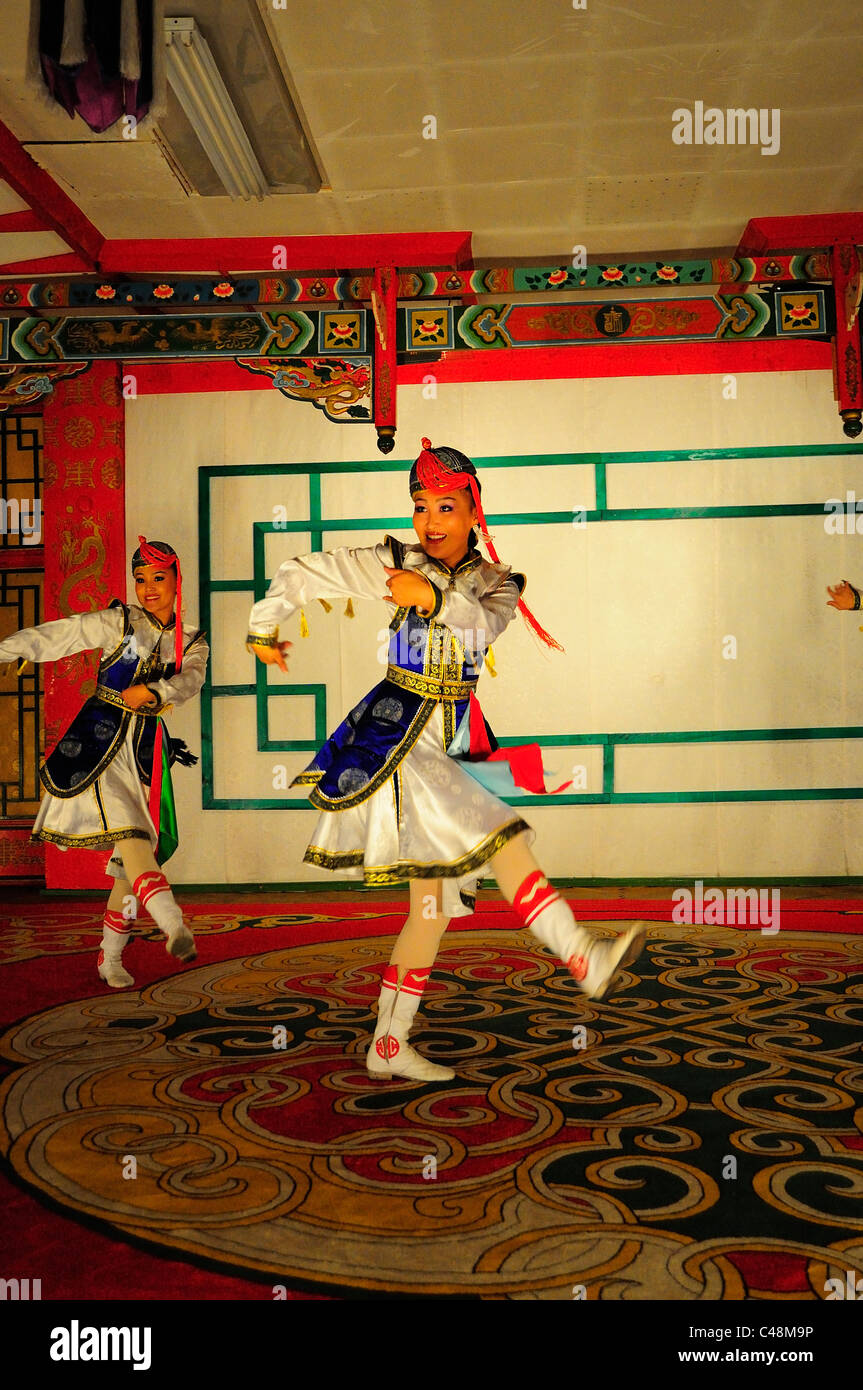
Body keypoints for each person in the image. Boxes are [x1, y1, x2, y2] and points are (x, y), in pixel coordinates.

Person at [247, 440, 645, 1082]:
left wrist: (428, 598)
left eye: (446, 507)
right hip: (400, 735)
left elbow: (478, 630)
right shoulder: (391, 561)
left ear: (472, 511)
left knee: (429, 909)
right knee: (504, 838)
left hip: (454, 739)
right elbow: (304, 571)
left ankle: (386, 1047)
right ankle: (583, 957)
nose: (430, 521)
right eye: (420, 506)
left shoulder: (496, 585)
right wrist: (264, 628)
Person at [0, 537, 208, 988]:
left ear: (176, 579)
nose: (148, 588)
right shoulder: (120, 622)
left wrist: (157, 693)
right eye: (140, 579)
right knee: (133, 840)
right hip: (98, 742)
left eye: (158, 578)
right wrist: (13, 647)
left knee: (132, 865)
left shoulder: (191, 641)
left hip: (145, 753)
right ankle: (174, 925)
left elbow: (190, 681)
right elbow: (67, 632)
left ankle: (109, 956)